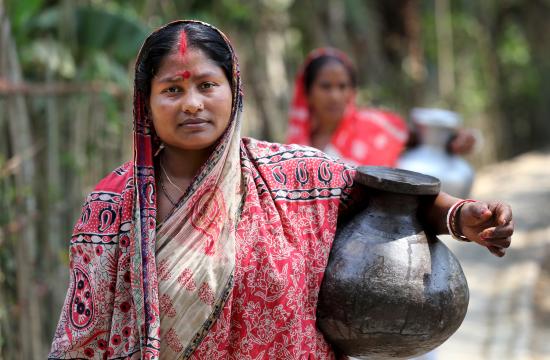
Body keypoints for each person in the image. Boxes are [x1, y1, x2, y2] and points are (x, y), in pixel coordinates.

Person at [49, 21, 513, 360]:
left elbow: (388, 199)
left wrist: (462, 217)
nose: (192, 103)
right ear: (145, 104)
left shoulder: (294, 176)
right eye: (172, 89)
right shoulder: (113, 204)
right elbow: (84, 334)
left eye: (208, 85)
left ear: (234, 91)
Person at [286, 48, 475, 167]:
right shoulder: (294, 150)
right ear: (307, 94)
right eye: (325, 86)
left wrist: (457, 140)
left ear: (351, 92)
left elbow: (425, 140)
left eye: (342, 86)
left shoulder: (376, 128)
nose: (335, 96)